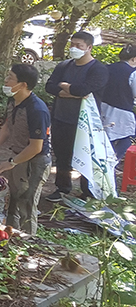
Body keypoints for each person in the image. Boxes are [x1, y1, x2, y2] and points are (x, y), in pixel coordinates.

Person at [0, 64, 51, 234]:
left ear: (23, 84)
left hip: (35, 162)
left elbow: (36, 147)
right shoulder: (13, 100)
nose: (6, 80)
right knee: (12, 201)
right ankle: (11, 235)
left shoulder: (37, 110)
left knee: (27, 203)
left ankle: (28, 241)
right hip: (18, 156)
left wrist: (12, 162)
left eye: (10, 77)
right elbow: (7, 125)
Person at [45, 31, 109, 201]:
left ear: (89, 47)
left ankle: (88, 192)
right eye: (72, 45)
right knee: (62, 156)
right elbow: (49, 86)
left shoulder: (98, 69)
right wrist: (69, 91)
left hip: (85, 123)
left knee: (86, 157)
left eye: (79, 46)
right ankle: (62, 188)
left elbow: (83, 90)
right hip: (61, 118)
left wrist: (65, 87)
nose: (74, 48)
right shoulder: (64, 66)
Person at [100, 44, 136, 165]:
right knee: (128, 136)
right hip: (123, 110)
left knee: (105, 137)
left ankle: (103, 162)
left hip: (102, 106)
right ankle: (112, 162)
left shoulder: (106, 68)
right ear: (134, 59)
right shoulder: (133, 72)